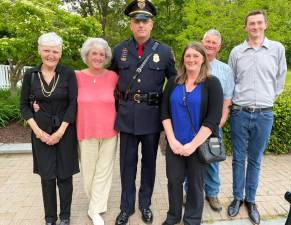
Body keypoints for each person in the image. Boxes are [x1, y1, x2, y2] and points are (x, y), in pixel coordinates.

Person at [110, 0, 177, 224]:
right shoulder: (119, 50)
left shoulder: (165, 52)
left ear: (151, 25)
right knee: (127, 165)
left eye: (145, 21)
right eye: (136, 21)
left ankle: (145, 204)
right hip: (127, 117)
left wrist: (169, 114)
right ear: (131, 25)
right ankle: (126, 207)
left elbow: (175, 83)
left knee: (149, 164)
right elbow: (109, 82)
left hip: (152, 117)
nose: (141, 25)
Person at [227, 10, 287, 225]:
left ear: (265, 25)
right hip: (239, 113)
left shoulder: (277, 49)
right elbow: (231, 81)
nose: (255, 26)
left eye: (259, 23)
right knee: (238, 159)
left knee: (255, 160)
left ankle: (250, 201)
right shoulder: (236, 52)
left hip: (264, 114)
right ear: (245, 27)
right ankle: (237, 198)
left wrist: (268, 97)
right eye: (251, 23)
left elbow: (280, 79)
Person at [161, 42, 223, 225]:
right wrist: (172, 140)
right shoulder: (173, 81)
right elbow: (164, 112)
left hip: (199, 144)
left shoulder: (212, 83)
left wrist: (192, 145)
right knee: (173, 182)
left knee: (196, 185)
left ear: (203, 58)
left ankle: (192, 219)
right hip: (175, 144)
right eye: (188, 56)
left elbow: (213, 119)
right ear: (183, 60)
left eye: (196, 56)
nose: (191, 59)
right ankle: (173, 217)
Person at [20, 32, 79, 225]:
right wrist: (38, 131)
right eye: (46, 50)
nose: (50, 55)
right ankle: (50, 218)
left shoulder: (68, 73)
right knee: (47, 177)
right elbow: (24, 106)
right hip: (40, 132)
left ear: (60, 53)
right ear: (39, 51)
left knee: (64, 176)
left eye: (55, 51)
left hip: (65, 131)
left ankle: (65, 216)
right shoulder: (30, 74)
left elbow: (73, 104)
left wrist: (61, 131)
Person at [76, 38, 118, 225]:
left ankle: (95, 211)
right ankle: (96, 206)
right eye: (94, 53)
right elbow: (61, 98)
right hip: (86, 130)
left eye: (102, 54)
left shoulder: (113, 77)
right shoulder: (76, 76)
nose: (98, 57)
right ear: (87, 55)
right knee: (88, 173)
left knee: (104, 172)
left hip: (110, 131)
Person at [201, 29, 234, 211]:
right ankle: (188, 191)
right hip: (193, 123)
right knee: (191, 158)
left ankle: (212, 193)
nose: (210, 45)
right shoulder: (193, 62)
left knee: (212, 158)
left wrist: (221, 120)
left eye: (214, 43)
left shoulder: (225, 69)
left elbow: (228, 97)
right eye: (207, 41)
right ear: (202, 41)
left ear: (219, 46)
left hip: (213, 124)